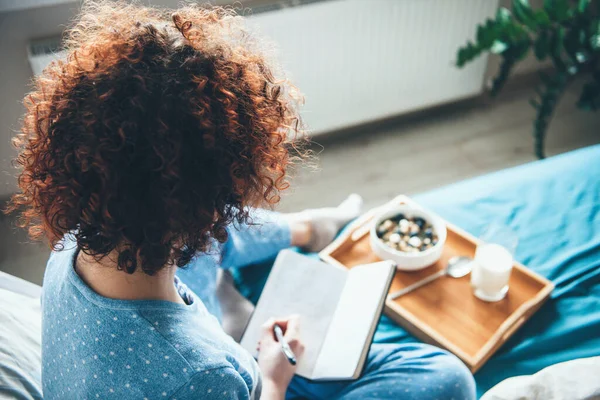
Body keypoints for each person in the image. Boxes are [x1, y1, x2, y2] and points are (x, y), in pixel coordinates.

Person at [6, 1, 476, 399]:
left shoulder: (71, 245)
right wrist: (273, 375)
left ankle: (301, 234)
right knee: (449, 378)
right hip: (234, 371)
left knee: (187, 240)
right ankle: (293, 248)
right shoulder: (205, 375)